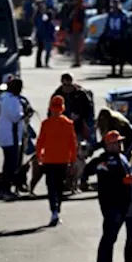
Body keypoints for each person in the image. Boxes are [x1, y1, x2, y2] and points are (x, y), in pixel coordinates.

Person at [83, 130, 132, 262]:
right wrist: (121, 181)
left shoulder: (121, 157)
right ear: (108, 145)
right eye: (115, 142)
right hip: (112, 204)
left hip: (122, 203)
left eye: (120, 141)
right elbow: (89, 170)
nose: (119, 144)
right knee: (108, 237)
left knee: (111, 238)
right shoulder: (105, 159)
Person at [34, 95, 77, 226]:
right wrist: (73, 159)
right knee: (57, 187)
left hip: (52, 160)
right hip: (58, 160)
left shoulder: (47, 123)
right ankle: (56, 210)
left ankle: (55, 210)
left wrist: (39, 155)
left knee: (53, 187)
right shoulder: (67, 123)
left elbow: (40, 141)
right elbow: (73, 143)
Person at [0, 78, 27, 201]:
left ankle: (3, 188)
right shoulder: (12, 100)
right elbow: (15, 117)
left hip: (4, 133)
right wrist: (24, 113)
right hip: (11, 136)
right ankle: (5, 189)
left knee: (8, 163)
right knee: (11, 165)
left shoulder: (3, 97)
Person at [50, 74, 93, 142]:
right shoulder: (57, 95)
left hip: (79, 126)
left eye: (69, 85)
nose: (67, 88)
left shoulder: (80, 94)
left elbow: (89, 110)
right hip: (62, 127)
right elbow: (51, 113)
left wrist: (85, 122)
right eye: (65, 85)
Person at [102, 0, 128, 76]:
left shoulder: (123, 14)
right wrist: (106, 34)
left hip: (120, 37)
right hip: (111, 37)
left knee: (121, 55)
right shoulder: (110, 14)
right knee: (112, 55)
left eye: (116, 5)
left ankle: (121, 71)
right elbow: (107, 25)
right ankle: (113, 71)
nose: (115, 7)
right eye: (113, 5)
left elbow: (126, 25)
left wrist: (123, 35)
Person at [67, 0, 87, 67]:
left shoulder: (81, 9)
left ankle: (77, 61)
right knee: (74, 47)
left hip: (77, 30)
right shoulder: (75, 9)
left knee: (77, 47)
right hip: (74, 30)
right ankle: (76, 60)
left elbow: (81, 21)